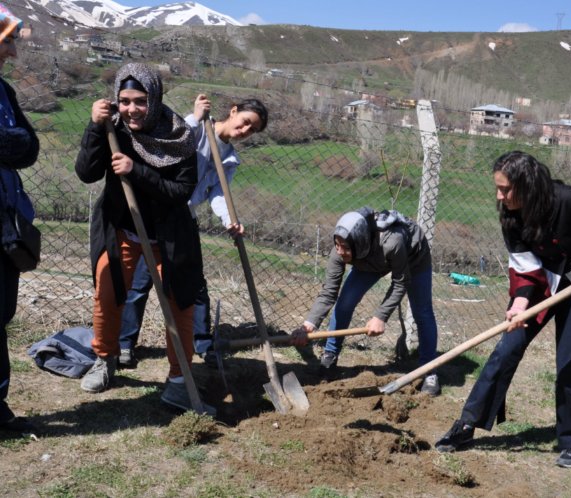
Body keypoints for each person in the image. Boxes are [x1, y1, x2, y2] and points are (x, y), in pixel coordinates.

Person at [435, 151, 571, 468]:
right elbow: (524, 267)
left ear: (526, 186)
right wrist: (521, 301)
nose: (499, 196)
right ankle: (468, 424)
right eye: (497, 188)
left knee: (568, 359)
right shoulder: (511, 215)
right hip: (544, 283)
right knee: (507, 347)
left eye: (505, 189)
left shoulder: (567, 199)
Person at [75, 63, 209, 413]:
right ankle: (105, 360)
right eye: (124, 100)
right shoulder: (112, 129)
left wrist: (138, 171)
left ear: (155, 98)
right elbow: (87, 173)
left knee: (179, 303)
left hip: (170, 236)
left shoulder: (179, 135)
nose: (131, 109)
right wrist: (94, 127)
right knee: (107, 293)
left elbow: (181, 191)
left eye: (140, 101)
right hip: (122, 228)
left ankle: (180, 378)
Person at [117, 94, 268, 368]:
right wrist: (195, 117)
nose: (245, 131)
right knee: (141, 283)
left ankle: (203, 343)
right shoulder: (198, 127)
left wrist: (229, 220)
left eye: (252, 130)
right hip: (160, 212)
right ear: (233, 111)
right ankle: (125, 345)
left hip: (185, 218)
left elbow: (219, 193)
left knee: (196, 286)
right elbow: (168, 142)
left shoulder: (230, 159)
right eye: (246, 122)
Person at [290, 207, 441, 396]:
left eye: (345, 247)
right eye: (337, 245)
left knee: (422, 312)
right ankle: (330, 355)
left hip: (412, 256)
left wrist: (380, 316)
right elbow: (329, 292)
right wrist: (308, 326)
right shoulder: (341, 249)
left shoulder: (392, 242)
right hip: (368, 260)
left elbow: (400, 282)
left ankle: (429, 371)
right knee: (345, 302)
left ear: (359, 242)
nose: (340, 251)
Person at [0, 3, 39, 435]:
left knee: (1, 311)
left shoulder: (4, 93)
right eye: (8, 39)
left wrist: (10, 141)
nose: (12, 51)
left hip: (7, 222)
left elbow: (29, 148)